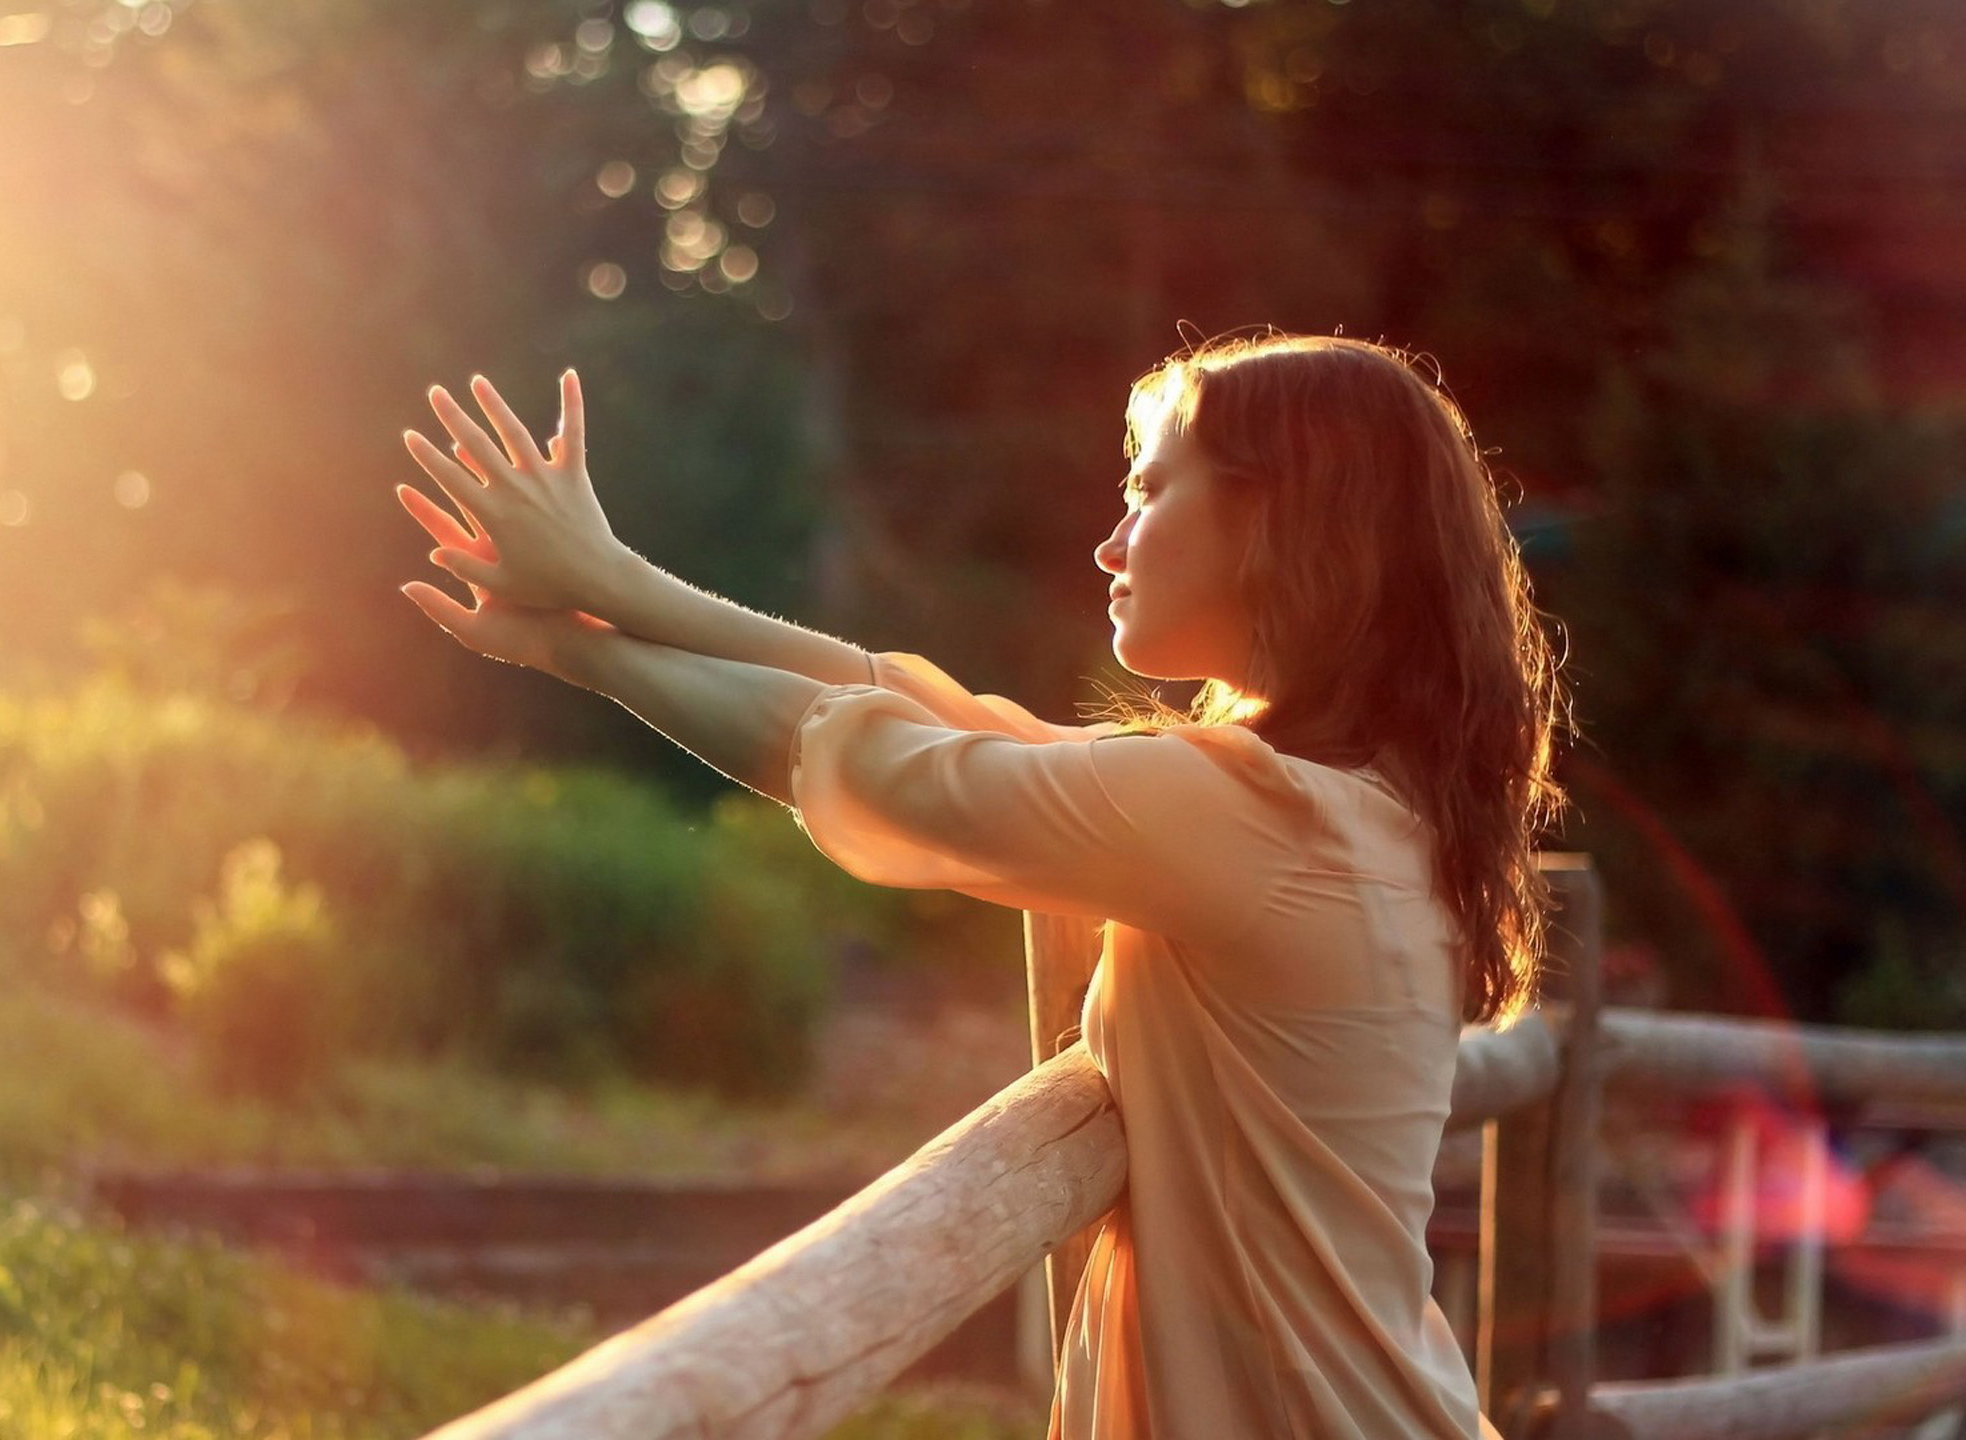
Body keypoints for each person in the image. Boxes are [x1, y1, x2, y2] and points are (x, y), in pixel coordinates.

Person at [393, 333, 1565, 1440]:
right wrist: (606, 589)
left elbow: (874, 758)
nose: (1109, 543)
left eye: (1150, 491)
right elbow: (931, 715)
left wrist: (581, 636)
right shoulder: (1351, 805)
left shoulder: (1257, 818)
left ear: (1275, 522)